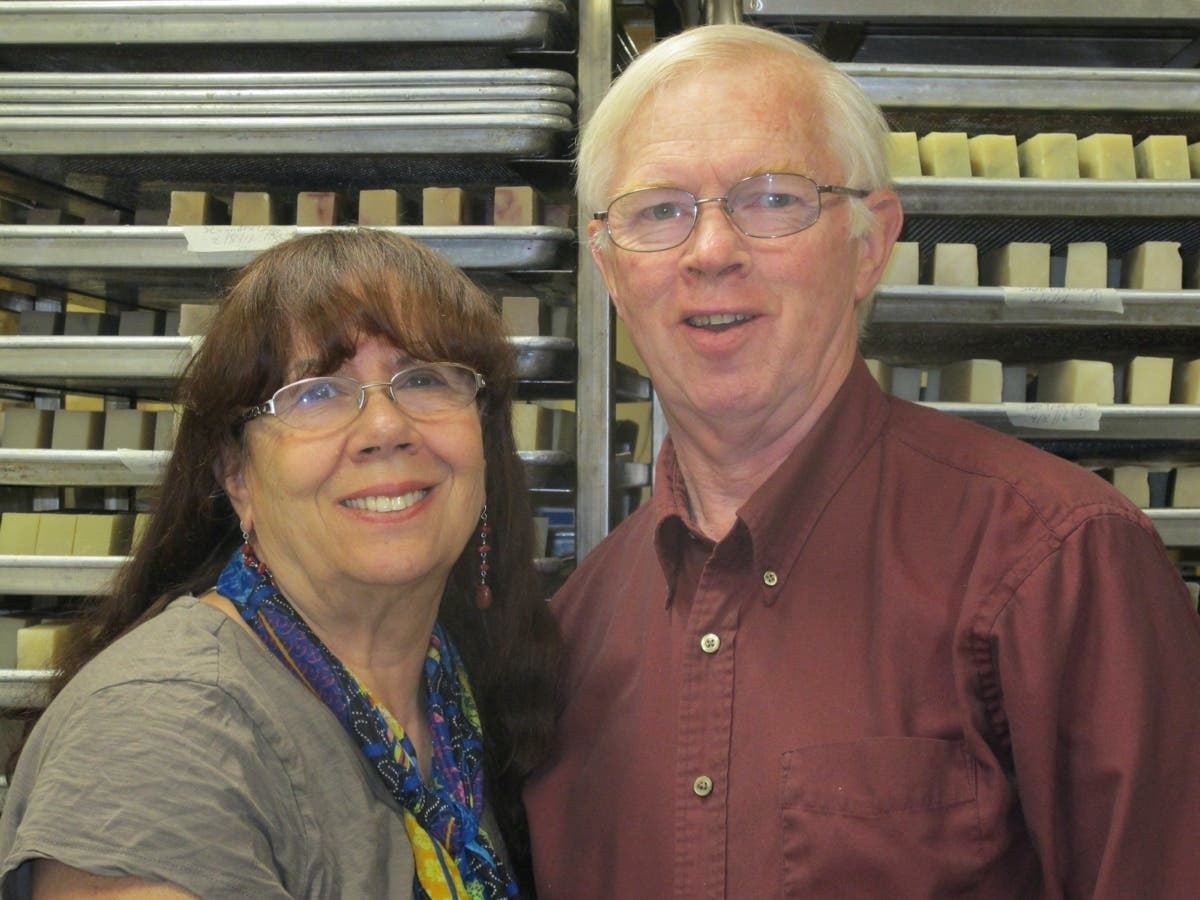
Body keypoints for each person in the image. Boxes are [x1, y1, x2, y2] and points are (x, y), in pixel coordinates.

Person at [524, 23, 1200, 899]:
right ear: (611, 270)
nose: (711, 251)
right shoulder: (571, 636)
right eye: (659, 211)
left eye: (771, 199)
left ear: (870, 243)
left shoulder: (1058, 565)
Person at [0, 229, 561, 898]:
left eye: (425, 379)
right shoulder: (159, 735)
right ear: (236, 475)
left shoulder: (454, 686)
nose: (386, 427)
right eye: (317, 392)